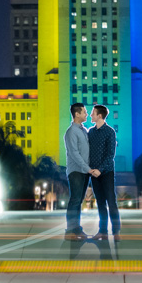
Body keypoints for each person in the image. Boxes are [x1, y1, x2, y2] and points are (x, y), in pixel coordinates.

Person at [87, 104, 120, 242]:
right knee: (100, 203)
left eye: (92, 113)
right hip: (94, 173)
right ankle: (103, 232)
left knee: (111, 202)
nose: (90, 115)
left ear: (99, 115)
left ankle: (116, 231)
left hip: (106, 173)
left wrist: (100, 169)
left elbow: (110, 154)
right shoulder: (90, 132)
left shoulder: (110, 132)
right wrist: (91, 170)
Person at [63, 102, 93, 241]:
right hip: (76, 170)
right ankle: (70, 230)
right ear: (77, 114)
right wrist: (87, 168)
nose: (86, 114)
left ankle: (76, 228)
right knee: (75, 200)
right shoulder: (71, 132)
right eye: (84, 112)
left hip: (84, 171)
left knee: (79, 200)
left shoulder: (83, 130)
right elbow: (74, 154)